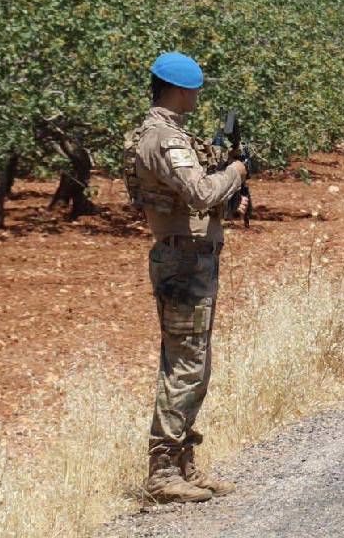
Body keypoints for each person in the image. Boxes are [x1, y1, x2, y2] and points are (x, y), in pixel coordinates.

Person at [124, 52, 249, 503]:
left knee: (194, 361)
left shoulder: (164, 134)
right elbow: (198, 191)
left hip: (190, 257)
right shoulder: (163, 137)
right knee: (185, 362)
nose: (198, 96)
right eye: (194, 89)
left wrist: (229, 195)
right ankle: (162, 472)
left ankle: (183, 464)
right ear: (180, 89)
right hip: (184, 262)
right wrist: (234, 173)